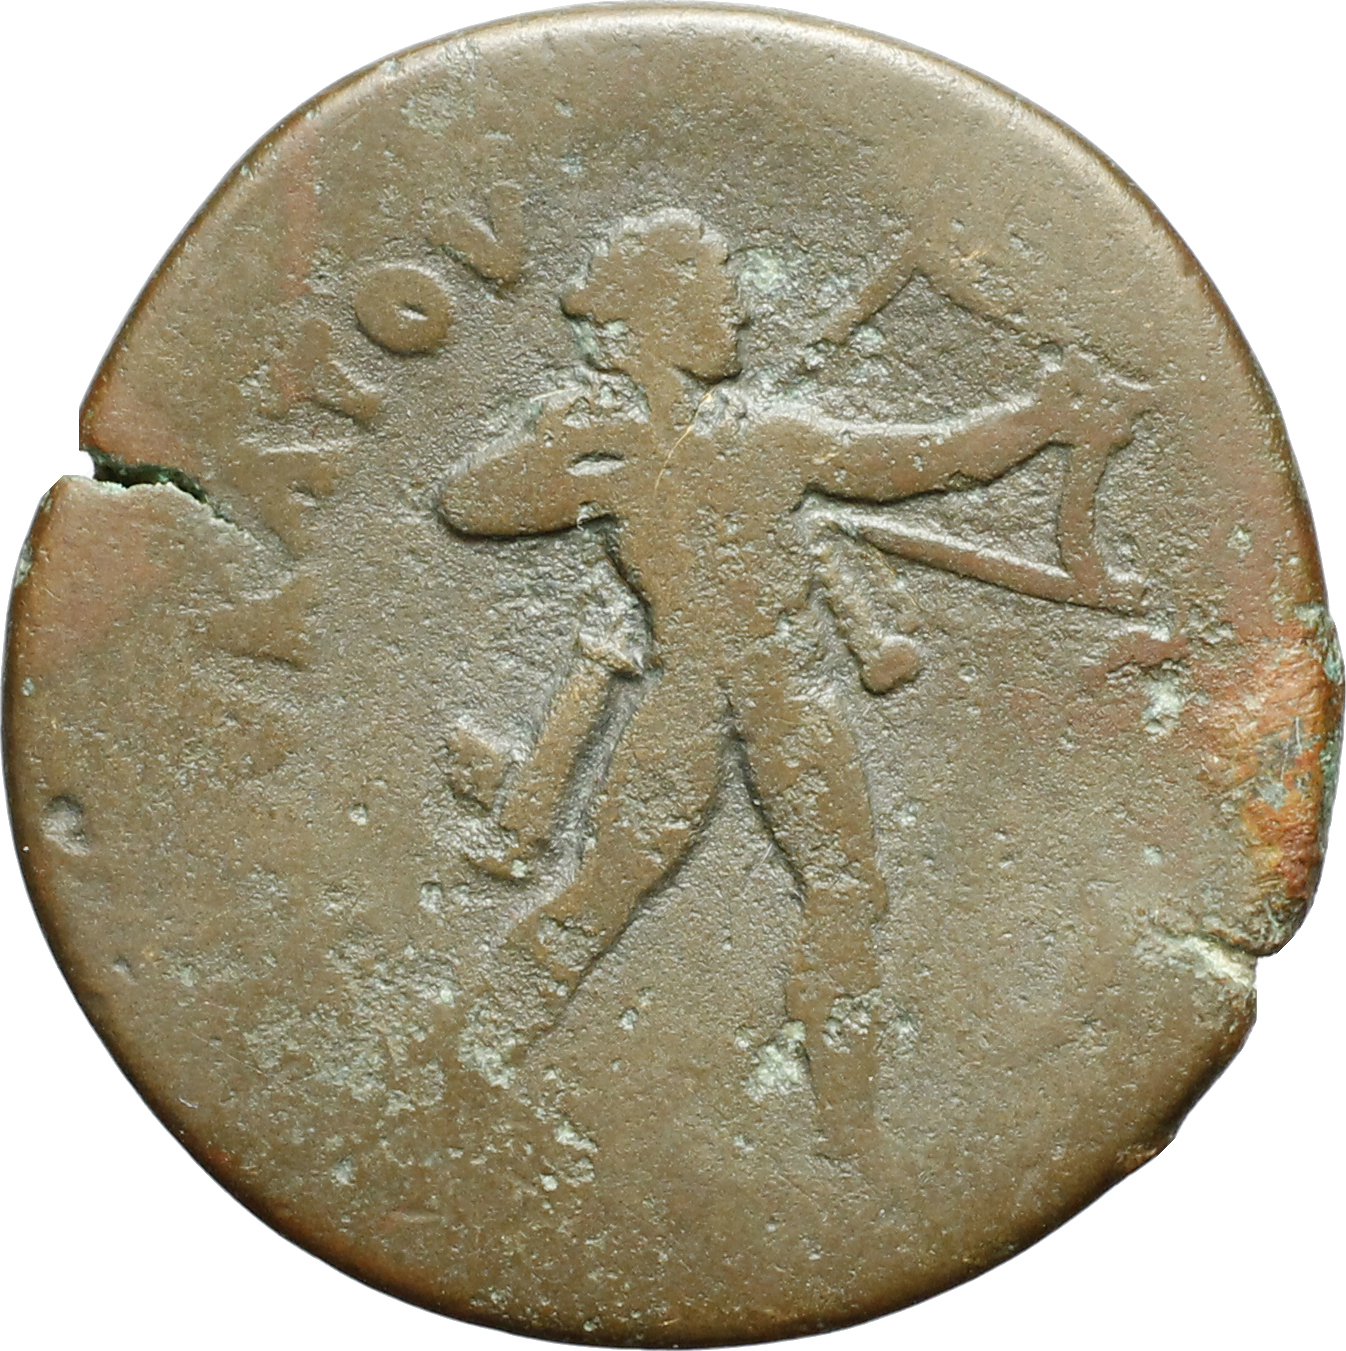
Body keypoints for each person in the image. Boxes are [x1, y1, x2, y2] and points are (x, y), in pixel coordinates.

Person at [441, 209, 1139, 1157]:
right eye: (715, 294)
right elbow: (467, 503)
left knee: (819, 893)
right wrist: (570, 452)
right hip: (720, 698)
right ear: (663, 317)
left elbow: (930, 461)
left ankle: (844, 1133)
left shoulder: (745, 438)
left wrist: (1038, 421)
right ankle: (474, 1064)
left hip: (765, 699)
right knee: (640, 889)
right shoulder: (643, 446)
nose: (737, 310)